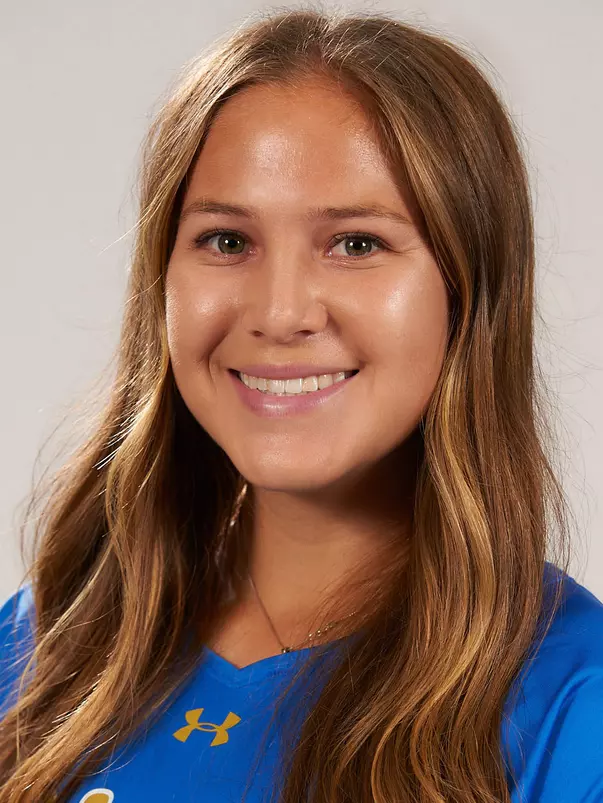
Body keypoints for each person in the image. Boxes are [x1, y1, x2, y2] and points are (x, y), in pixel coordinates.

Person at [1, 7, 602, 803]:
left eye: (356, 243)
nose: (280, 313)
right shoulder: (41, 645)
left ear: (468, 292)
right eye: (225, 240)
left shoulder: (574, 700)